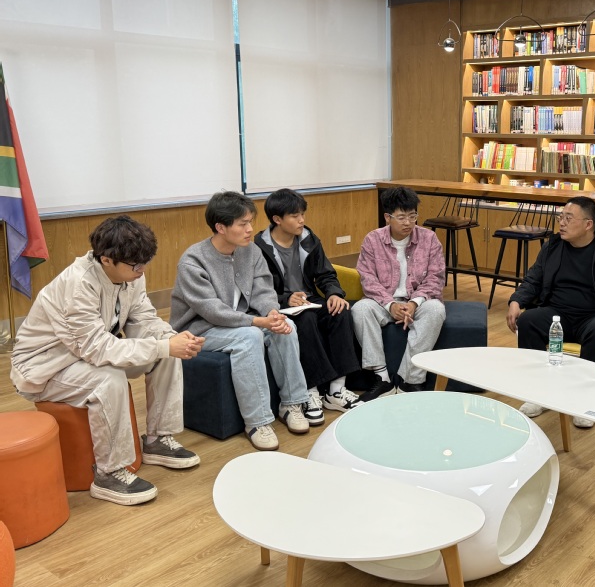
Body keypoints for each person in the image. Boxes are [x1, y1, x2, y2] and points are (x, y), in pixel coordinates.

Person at [11, 216, 201, 506]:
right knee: (109, 379)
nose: (142, 271)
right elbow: (97, 349)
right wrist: (163, 346)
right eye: (135, 266)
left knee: (167, 356)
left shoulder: (131, 274)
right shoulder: (77, 284)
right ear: (107, 260)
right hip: (45, 368)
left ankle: (157, 440)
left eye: (145, 263)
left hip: (85, 355)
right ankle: (108, 473)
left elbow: (144, 319)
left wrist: (171, 338)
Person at [170, 191, 321, 452]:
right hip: (201, 329)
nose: (250, 229)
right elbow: (212, 311)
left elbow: (264, 289)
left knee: (286, 326)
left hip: (240, 321)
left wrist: (273, 313)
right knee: (250, 336)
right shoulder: (193, 260)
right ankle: (258, 422)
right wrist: (257, 322)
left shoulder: (250, 251)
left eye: (250, 222)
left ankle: (292, 403)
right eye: (243, 224)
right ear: (221, 227)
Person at [506, 196, 595, 429]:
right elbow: (533, 279)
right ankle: (538, 393)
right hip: (557, 313)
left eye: (569, 219)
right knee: (529, 320)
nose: (562, 223)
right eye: (561, 217)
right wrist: (516, 300)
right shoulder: (553, 247)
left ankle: (586, 401)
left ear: (588, 224)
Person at [254, 188, 361, 412]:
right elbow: (257, 289)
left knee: (341, 311)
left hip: (308, 300)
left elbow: (326, 274)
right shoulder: (258, 247)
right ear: (277, 219)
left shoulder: (309, 239)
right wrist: (285, 299)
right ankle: (310, 391)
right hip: (279, 305)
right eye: (295, 216)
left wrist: (334, 293)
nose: (302, 220)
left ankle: (336, 390)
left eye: (302, 214)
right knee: (307, 319)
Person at [352, 186, 446, 400]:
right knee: (360, 309)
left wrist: (414, 303)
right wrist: (390, 305)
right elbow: (368, 278)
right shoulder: (372, 240)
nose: (408, 223)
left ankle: (410, 380)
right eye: (401, 217)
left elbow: (436, 277)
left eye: (413, 216)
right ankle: (382, 377)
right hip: (383, 302)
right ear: (388, 217)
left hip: (419, 302)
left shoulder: (429, 238)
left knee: (436, 310)